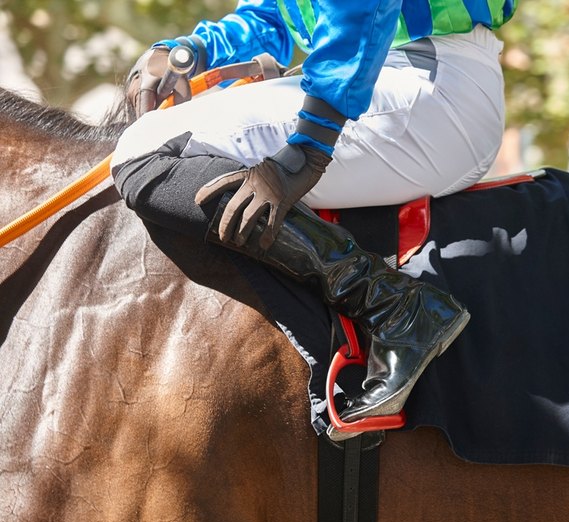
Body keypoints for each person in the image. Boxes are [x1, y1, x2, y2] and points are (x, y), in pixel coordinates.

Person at [111, 0, 516, 439]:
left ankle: (394, 306)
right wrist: (193, 51)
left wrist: (311, 144)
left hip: (421, 83)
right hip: (402, 76)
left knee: (143, 148)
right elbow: (276, 13)